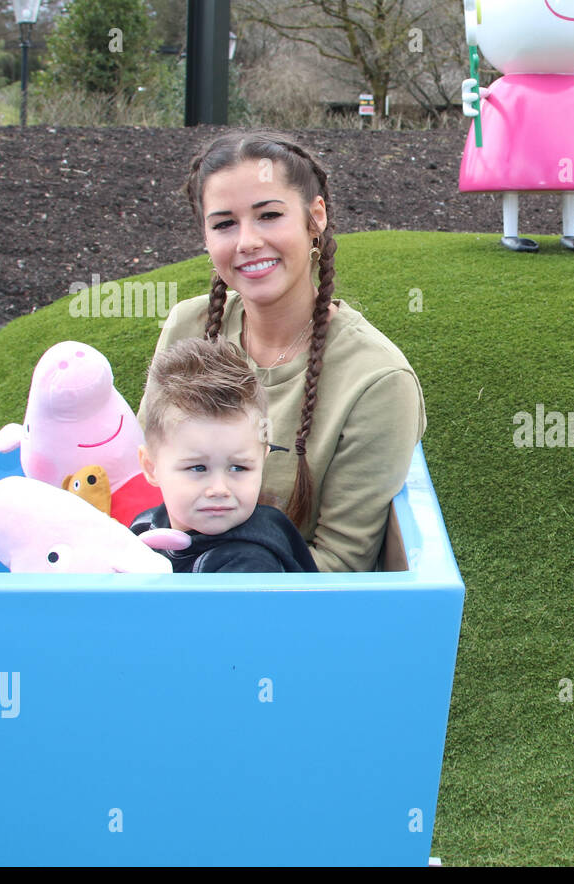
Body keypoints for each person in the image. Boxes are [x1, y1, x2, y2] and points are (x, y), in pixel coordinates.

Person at [137, 129, 426, 572]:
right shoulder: (188, 327)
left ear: (316, 218)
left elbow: (340, 564)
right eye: (224, 224)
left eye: (268, 215)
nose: (247, 241)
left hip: (283, 620)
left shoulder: (378, 381)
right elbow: (146, 476)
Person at [131, 338, 318, 573]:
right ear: (150, 466)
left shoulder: (250, 566)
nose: (219, 489)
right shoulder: (145, 528)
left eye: (238, 468)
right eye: (198, 468)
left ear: (263, 460)